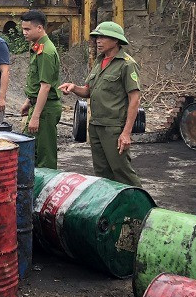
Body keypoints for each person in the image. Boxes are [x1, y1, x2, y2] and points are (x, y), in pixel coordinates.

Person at [59, 21, 141, 186]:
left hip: (113, 128)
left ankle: (139, 201)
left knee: (122, 171)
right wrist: (74, 88)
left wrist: (126, 133)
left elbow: (135, 99)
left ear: (116, 40)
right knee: (102, 173)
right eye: (97, 37)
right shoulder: (99, 62)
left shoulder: (127, 64)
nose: (98, 41)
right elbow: (88, 91)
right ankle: (111, 201)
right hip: (96, 126)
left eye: (103, 37)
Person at [19, 9, 61, 169]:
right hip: (38, 105)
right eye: (23, 29)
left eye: (27, 29)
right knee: (31, 152)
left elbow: (45, 86)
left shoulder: (46, 52)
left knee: (45, 156)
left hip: (45, 109)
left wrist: (35, 116)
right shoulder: (38, 47)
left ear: (39, 28)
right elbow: (36, 83)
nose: (24, 32)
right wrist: (28, 101)